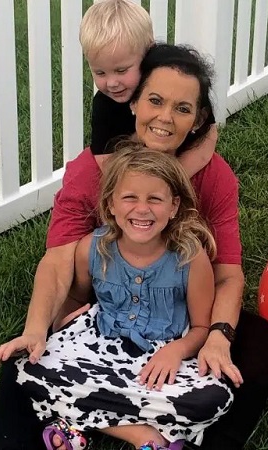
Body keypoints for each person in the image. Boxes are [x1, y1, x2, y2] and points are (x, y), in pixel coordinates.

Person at [0, 44, 268, 450]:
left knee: (259, 341)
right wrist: (42, 328)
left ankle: (176, 434)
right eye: (155, 101)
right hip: (105, 310)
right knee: (23, 359)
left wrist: (218, 335)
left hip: (180, 310)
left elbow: (228, 274)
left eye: (182, 109)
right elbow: (58, 261)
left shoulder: (215, 177)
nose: (164, 118)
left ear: (197, 120)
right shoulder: (90, 171)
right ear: (133, 102)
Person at [15, 146, 233, 450]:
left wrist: (175, 352)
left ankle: (76, 423)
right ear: (111, 204)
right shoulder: (90, 249)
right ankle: (145, 437)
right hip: (98, 346)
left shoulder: (190, 258)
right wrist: (61, 325)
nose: (141, 209)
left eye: (154, 199)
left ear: (173, 206)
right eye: (130, 197)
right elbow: (76, 299)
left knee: (213, 399)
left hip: (160, 359)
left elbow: (200, 328)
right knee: (29, 370)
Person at [80, 0, 216, 174]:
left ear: (148, 51)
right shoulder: (105, 105)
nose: (112, 83)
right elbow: (107, 163)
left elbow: (208, 135)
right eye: (100, 73)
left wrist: (175, 179)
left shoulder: (175, 78)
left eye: (121, 70)